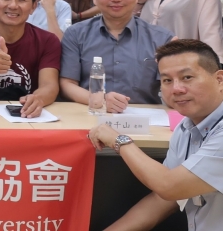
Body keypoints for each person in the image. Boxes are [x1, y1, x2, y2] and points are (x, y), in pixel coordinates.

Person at [88, 39, 223, 231]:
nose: (176, 89)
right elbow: (163, 200)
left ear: (219, 79)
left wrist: (119, 140)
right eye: (167, 80)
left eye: (187, 77)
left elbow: (169, 187)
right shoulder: (186, 127)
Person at [60, 0, 173, 111]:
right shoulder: (75, 34)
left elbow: (172, 87)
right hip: (92, 113)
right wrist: (101, 100)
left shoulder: (162, 38)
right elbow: (67, 84)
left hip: (145, 117)